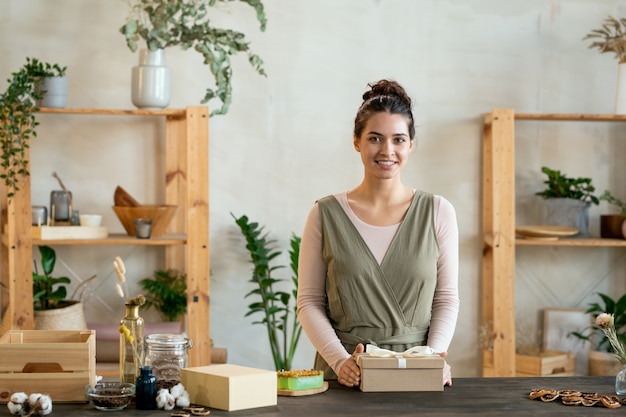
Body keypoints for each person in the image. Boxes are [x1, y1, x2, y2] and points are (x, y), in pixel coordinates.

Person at [296, 79, 460, 388]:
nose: (387, 150)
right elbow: (309, 301)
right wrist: (340, 361)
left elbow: (446, 298)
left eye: (398, 139)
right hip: (345, 376)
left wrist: (434, 357)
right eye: (375, 138)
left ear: (411, 144)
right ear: (356, 141)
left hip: (417, 372)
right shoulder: (324, 214)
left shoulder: (439, 211)